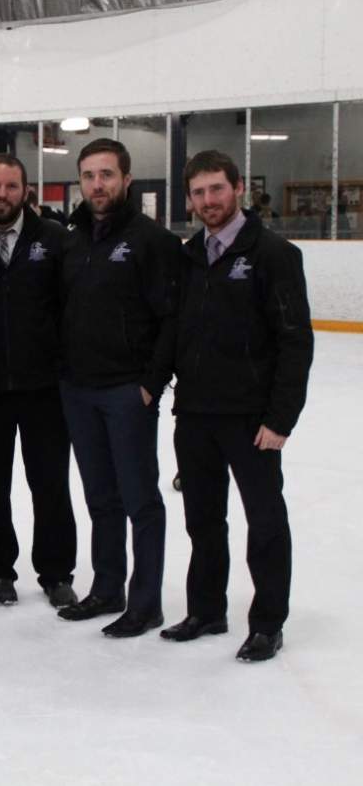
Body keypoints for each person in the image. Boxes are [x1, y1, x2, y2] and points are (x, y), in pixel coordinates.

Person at [162, 150, 313, 662]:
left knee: (264, 521)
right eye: (199, 193)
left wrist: (280, 418)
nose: (209, 201)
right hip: (196, 414)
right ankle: (207, 609)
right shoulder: (188, 256)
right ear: (190, 199)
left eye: (217, 190)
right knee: (203, 520)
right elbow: (176, 330)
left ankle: (268, 622)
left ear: (238, 188)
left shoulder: (273, 255)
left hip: (252, 419)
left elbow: (296, 342)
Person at [57, 138, 181, 637]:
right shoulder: (72, 237)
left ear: (126, 179)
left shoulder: (152, 241)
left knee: (139, 500)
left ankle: (146, 601)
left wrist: (151, 385)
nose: (97, 184)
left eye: (107, 174)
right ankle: (107, 588)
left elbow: (171, 321)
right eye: (88, 176)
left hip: (127, 392)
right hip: (78, 390)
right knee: (100, 498)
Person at [0, 154, 78, 609]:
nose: (2, 195)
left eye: (11, 186)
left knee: (49, 482)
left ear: (26, 190)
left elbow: (72, 308)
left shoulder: (53, 238)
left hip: (43, 388)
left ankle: (56, 573)